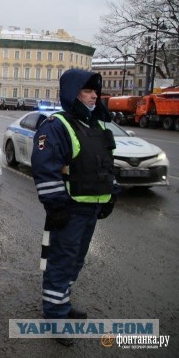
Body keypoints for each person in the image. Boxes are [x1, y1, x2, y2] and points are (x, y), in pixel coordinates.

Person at [31, 68, 120, 346]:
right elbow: (46, 169)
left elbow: (106, 165)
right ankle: (55, 318)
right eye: (87, 91)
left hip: (91, 208)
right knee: (61, 262)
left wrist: (111, 194)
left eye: (96, 91)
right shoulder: (57, 125)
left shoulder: (98, 125)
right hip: (69, 210)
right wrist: (56, 206)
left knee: (75, 262)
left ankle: (63, 305)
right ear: (73, 93)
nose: (94, 96)